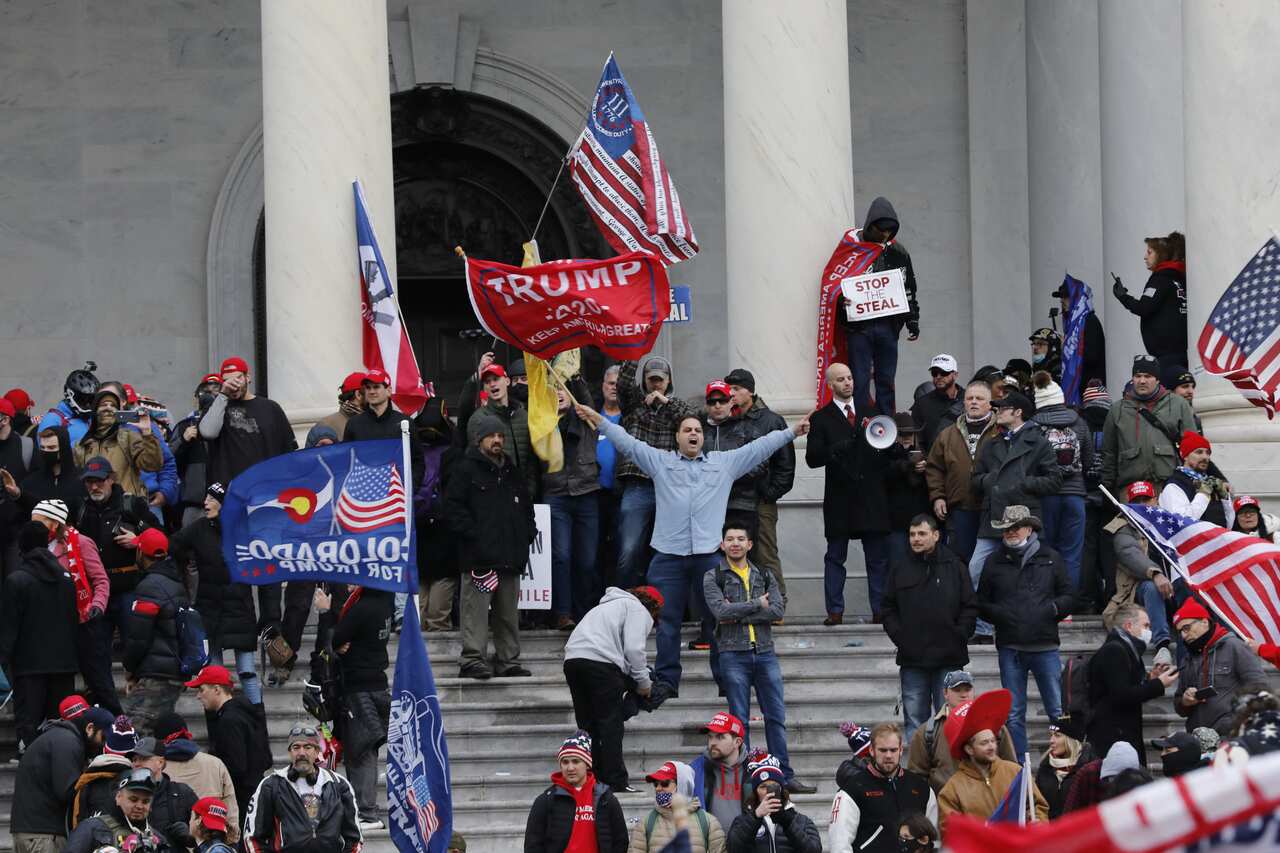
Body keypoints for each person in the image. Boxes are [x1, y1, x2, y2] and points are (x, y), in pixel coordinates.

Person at [576, 401, 808, 697]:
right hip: (667, 558)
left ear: (704, 437)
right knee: (667, 623)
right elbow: (628, 442)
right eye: (687, 430)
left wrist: (792, 432)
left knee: (718, 621)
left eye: (698, 430)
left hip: (708, 559)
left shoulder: (723, 464)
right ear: (677, 437)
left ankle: (726, 680)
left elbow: (760, 447)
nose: (693, 434)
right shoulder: (660, 461)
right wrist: (599, 420)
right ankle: (667, 682)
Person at [702, 523, 815, 794]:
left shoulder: (764, 573)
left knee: (775, 717)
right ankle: (748, 778)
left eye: (741, 538)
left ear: (750, 544)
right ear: (722, 545)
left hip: (765, 653)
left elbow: (776, 610)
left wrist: (738, 612)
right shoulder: (713, 576)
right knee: (738, 722)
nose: (735, 543)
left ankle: (783, 776)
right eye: (730, 539)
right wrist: (756, 604)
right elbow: (720, 612)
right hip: (732, 654)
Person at [445, 410, 536, 680]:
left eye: (500, 435)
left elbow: (527, 509)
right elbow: (452, 509)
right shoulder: (465, 469)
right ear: (478, 439)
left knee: (508, 613)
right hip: (479, 558)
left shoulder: (512, 471)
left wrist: (526, 534)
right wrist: (475, 537)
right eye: (491, 436)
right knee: (475, 612)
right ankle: (473, 659)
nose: (497, 440)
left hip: (510, 556)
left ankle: (508, 660)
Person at [976, 506, 1073, 756]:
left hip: (1045, 645)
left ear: (1029, 529)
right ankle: (1018, 767)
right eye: (1006, 529)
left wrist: (1052, 609)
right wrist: (999, 615)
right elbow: (981, 602)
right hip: (1010, 646)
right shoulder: (993, 560)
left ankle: (1063, 761)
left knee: (1056, 710)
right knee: (1014, 713)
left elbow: (1070, 596)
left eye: (1015, 527)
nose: (1009, 533)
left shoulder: (1051, 557)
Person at [969, 393, 1062, 641]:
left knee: (1028, 576)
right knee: (976, 569)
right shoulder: (991, 443)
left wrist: (1022, 483)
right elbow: (976, 479)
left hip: (1024, 518)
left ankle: (1028, 626)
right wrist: (992, 481)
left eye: (1003, 407)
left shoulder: (1039, 442)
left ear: (1018, 411)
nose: (997, 410)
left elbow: (1054, 480)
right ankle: (983, 628)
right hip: (994, 516)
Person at [805, 362, 891, 625]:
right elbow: (812, 458)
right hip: (840, 498)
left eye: (850, 378)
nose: (848, 383)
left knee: (877, 558)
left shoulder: (870, 410)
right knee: (835, 557)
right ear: (831, 385)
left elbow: (883, 448)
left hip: (871, 497)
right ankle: (834, 610)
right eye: (841, 379)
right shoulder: (821, 418)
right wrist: (844, 444)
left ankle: (880, 609)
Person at [880, 516, 978, 741]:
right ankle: (917, 773)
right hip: (913, 658)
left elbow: (970, 605)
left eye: (922, 534)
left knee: (952, 720)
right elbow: (887, 607)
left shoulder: (955, 565)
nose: (916, 539)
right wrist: (900, 636)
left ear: (936, 535)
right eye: (912, 534)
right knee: (915, 721)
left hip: (949, 657)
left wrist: (959, 634)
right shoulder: (900, 566)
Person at [563, 585, 664, 793]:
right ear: (653, 609)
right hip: (601, 665)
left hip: (573, 661)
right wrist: (644, 684)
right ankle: (615, 781)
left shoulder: (602, 608)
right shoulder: (637, 609)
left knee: (588, 725)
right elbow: (634, 650)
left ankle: (592, 780)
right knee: (611, 725)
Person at [170, 482, 261, 704]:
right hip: (210, 611)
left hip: (240, 610)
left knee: (247, 673)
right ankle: (220, 719)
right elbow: (173, 545)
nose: (205, 503)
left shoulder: (244, 530)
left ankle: (255, 716)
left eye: (211, 499)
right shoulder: (200, 528)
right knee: (214, 676)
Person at [313, 582, 393, 830]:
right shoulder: (384, 601)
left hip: (361, 689)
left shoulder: (363, 608)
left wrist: (326, 612)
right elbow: (341, 640)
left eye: (353, 577)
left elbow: (333, 640)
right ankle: (365, 809)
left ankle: (367, 813)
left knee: (360, 751)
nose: (347, 583)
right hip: (376, 684)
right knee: (365, 749)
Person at [612, 356, 694, 587]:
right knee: (628, 549)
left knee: (669, 550)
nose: (656, 384)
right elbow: (624, 384)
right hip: (637, 486)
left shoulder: (677, 408)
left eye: (660, 380)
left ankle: (664, 602)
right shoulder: (634, 405)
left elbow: (692, 421)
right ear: (645, 381)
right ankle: (624, 598)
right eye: (651, 380)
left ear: (668, 382)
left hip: (668, 488)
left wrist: (665, 402)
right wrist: (633, 351)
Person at [837, 196, 921, 419]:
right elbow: (835, 287)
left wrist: (913, 320)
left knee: (886, 379)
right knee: (860, 379)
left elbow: (908, 287)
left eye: (889, 231)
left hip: (887, 326)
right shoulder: (851, 250)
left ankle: (886, 425)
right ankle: (861, 425)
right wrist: (841, 304)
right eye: (880, 230)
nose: (884, 235)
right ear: (870, 225)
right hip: (859, 328)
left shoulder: (898, 252)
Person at [0, 520, 79, 749]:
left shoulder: (17, 581)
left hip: (29, 667)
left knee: (29, 724)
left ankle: (29, 762)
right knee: (61, 726)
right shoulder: (66, 580)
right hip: (64, 665)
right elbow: (74, 622)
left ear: (22, 546)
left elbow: (9, 628)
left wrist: (4, 661)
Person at [724, 368, 795, 599]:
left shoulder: (772, 420)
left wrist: (770, 493)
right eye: (729, 389)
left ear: (750, 392)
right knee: (735, 554)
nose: (731, 393)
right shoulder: (726, 419)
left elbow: (785, 465)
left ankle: (777, 603)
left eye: (737, 389)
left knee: (765, 553)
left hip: (760, 500)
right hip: (731, 499)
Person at [936, 690, 1048, 834]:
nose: (991, 747)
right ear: (969, 749)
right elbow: (952, 835)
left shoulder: (1016, 772)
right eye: (984, 743)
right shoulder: (951, 791)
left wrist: (1039, 822)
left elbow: (1038, 805)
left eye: (993, 741)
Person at [243, 723, 363, 853]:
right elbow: (253, 838)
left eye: (307, 747)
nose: (301, 753)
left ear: (317, 751)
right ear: (289, 752)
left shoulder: (339, 785)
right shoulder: (270, 785)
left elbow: (354, 839)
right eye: (296, 747)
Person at [9, 704, 113, 853]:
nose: (103, 744)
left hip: (32, 831)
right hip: (44, 836)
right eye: (103, 737)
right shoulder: (68, 742)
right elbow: (67, 791)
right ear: (90, 728)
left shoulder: (58, 737)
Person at [543, 379, 602, 629]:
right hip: (556, 495)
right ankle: (563, 613)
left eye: (562, 389)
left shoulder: (585, 418)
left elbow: (585, 395)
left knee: (587, 560)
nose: (558, 394)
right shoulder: (542, 423)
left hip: (587, 494)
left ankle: (585, 613)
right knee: (561, 556)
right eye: (553, 389)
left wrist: (574, 375)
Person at [1086, 604, 1178, 762]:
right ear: (1129, 626)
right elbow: (1122, 695)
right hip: (1113, 738)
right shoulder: (1115, 650)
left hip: (1121, 734)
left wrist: (1150, 679)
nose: (1149, 631)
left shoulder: (1127, 649)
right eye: (1145, 625)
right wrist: (1158, 684)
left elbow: (1126, 687)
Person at [121, 528, 189, 735]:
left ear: (140, 553)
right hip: (172, 671)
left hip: (155, 675)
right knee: (154, 735)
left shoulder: (149, 587)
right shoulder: (176, 582)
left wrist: (130, 668)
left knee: (131, 735)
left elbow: (139, 636)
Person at [905, 670, 1016, 794]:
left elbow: (1011, 769)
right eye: (957, 690)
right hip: (945, 805)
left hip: (989, 803)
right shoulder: (927, 732)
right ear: (945, 693)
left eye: (967, 690)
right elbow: (917, 777)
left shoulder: (995, 727)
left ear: (973, 692)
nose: (963, 695)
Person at [829, 723, 935, 853]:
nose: (889, 755)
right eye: (883, 750)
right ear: (872, 751)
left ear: (901, 750)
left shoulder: (921, 788)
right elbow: (839, 844)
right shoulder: (852, 790)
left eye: (893, 750)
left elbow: (933, 838)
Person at [1030, 372, 1093, 590]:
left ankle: (1046, 598)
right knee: (1072, 553)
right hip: (1075, 495)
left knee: (1045, 548)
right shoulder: (1080, 423)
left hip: (1046, 495)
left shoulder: (1032, 427)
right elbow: (1088, 459)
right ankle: (1068, 605)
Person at [925, 380, 999, 563]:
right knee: (960, 559)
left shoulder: (1001, 431)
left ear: (990, 403)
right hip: (960, 508)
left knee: (991, 561)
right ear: (963, 402)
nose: (973, 402)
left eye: (979, 398)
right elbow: (934, 467)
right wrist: (938, 496)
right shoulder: (948, 434)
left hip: (993, 507)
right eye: (969, 398)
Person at [1101, 481, 1175, 663]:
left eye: (1146, 500)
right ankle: (1162, 645)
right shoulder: (1122, 525)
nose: (1142, 505)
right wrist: (1155, 574)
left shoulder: (1169, 522)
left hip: (1175, 584)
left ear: (1155, 500)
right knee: (1151, 587)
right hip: (1136, 589)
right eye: (1137, 501)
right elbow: (1129, 553)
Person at [186, 664, 273, 817]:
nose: (198, 696)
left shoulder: (229, 720)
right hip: (253, 795)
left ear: (217, 689)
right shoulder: (245, 712)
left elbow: (236, 766)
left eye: (201, 690)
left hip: (241, 800)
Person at [1100, 354, 1196, 493]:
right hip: (1131, 488)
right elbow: (1109, 452)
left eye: (1148, 376)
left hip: (1170, 486)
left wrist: (1191, 481)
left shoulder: (1178, 404)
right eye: (1138, 376)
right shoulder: (1117, 409)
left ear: (1157, 379)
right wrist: (1108, 486)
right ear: (1133, 379)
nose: (1142, 381)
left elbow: (1191, 447)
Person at [198, 356, 296, 488]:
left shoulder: (270, 408)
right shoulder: (217, 407)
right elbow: (208, 432)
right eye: (227, 380)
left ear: (247, 378)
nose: (233, 384)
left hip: (265, 488)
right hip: (230, 489)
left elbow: (288, 450)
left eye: (238, 378)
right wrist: (222, 395)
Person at [1172, 599, 1267, 734]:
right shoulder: (1187, 659)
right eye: (1180, 631)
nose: (1183, 635)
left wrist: (1239, 721)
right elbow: (1178, 705)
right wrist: (1185, 701)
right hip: (1198, 739)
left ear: (1204, 622)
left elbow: (1260, 688)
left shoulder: (1234, 646)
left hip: (1232, 736)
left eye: (1186, 628)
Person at [523, 731, 628, 853]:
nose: (570, 768)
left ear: (587, 764)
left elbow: (620, 840)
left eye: (576, 761)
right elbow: (533, 844)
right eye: (565, 762)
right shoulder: (545, 800)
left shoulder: (606, 799)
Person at [457, 354, 538, 500]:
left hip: (522, 495)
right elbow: (474, 461)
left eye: (496, 379)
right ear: (484, 388)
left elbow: (532, 460)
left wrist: (530, 491)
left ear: (507, 381)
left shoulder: (523, 416)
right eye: (487, 382)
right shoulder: (479, 419)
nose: (492, 384)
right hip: (493, 495)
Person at [153, 712, 240, 841]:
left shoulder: (155, 768)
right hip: (211, 843)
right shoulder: (215, 764)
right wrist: (230, 843)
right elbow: (231, 810)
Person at [413, 396, 461, 631]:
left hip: (424, 522)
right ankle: (435, 625)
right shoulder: (453, 448)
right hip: (438, 524)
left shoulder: (414, 448)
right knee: (439, 579)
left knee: (424, 579)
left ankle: (426, 626)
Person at [1113, 231, 1188, 373]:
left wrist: (1123, 297)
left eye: (1150, 252)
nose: (1145, 257)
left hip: (1166, 355)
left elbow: (1144, 307)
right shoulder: (1179, 278)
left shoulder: (1160, 279)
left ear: (1161, 255)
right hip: (1180, 352)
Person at [73, 387, 164, 499]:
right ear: (95, 410)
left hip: (126, 508)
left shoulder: (128, 438)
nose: (108, 408)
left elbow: (152, 465)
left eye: (113, 405)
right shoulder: (82, 445)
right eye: (103, 404)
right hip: (94, 509)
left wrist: (147, 433)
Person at [342, 368, 425, 486]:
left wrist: (409, 489)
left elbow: (417, 461)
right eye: (368, 388)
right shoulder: (354, 424)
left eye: (376, 387)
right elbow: (346, 460)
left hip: (397, 495)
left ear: (388, 390)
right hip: (363, 492)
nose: (371, 391)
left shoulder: (405, 423)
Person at [724, 754, 822, 853]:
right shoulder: (742, 821)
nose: (768, 791)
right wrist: (755, 816)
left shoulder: (802, 821)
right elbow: (733, 848)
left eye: (774, 786)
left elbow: (814, 850)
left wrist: (787, 823)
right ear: (755, 792)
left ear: (781, 789)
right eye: (763, 786)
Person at [628, 761, 727, 853]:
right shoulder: (645, 823)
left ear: (682, 784)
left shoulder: (708, 822)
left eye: (664, 783)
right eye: (655, 784)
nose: (658, 788)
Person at [63, 769, 171, 853]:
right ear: (118, 797)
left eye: (145, 801)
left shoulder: (159, 840)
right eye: (133, 799)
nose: (139, 806)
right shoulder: (91, 828)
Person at [702, 380, 757, 542]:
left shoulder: (747, 427)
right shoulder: (698, 430)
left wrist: (728, 474)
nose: (717, 405)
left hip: (742, 503)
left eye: (722, 400)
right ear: (707, 405)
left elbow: (759, 464)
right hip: (708, 505)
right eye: (712, 402)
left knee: (744, 557)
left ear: (731, 402)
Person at [68, 715, 139, 831]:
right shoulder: (139, 783)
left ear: (105, 749)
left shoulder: (86, 781)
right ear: (134, 756)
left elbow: (77, 824)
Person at [171, 374, 223, 528]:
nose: (210, 397)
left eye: (216, 392)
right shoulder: (185, 426)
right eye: (206, 392)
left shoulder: (230, 425)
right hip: (193, 503)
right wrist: (183, 440)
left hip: (224, 502)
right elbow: (167, 461)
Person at [130, 737, 199, 852]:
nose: (136, 764)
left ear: (160, 762)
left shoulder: (182, 792)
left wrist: (190, 836)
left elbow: (205, 833)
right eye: (134, 759)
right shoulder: (124, 795)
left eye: (143, 759)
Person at [882, 415, 931, 567]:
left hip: (919, 521)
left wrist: (925, 469)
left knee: (921, 565)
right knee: (898, 565)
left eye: (910, 434)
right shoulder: (886, 453)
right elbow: (886, 473)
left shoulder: (924, 453)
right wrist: (906, 465)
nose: (906, 438)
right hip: (896, 522)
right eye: (902, 434)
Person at [1159, 431, 1235, 527]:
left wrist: (1225, 499)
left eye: (1208, 453)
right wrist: (1203, 494)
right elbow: (1181, 522)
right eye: (1199, 452)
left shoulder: (1210, 482)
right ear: (1185, 456)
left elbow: (1228, 526)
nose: (1205, 457)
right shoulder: (1174, 485)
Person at [596, 365, 624, 586]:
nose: (614, 387)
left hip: (621, 494)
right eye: (610, 383)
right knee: (593, 550)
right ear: (602, 385)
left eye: (618, 383)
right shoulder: (591, 415)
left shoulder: (630, 417)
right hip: (593, 494)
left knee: (619, 549)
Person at [1051, 281, 1107, 389]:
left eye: (1066, 297)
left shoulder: (1089, 321)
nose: (1062, 300)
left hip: (1089, 390)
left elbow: (1092, 357)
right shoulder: (1072, 323)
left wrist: (1066, 346)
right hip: (1075, 389)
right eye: (1061, 297)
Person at [1061, 741, 1140, 814]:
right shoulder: (1088, 774)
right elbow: (1069, 813)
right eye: (1113, 779)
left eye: (1123, 781)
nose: (1117, 786)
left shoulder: (1142, 782)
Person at [1033, 716, 1088, 819]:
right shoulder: (1045, 767)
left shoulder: (1088, 769)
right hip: (1050, 831)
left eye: (1057, 735)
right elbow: (1037, 802)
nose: (1051, 740)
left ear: (1071, 740)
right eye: (1051, 735)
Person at [911, 354, 961, 452]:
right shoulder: (921, 404)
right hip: (932, 463)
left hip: (961, 462)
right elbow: (917, 438)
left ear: (955, 375)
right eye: (934, 373)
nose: (938, 376)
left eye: (944, 372)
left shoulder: (968, 399)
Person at [316, 371, 367, 438]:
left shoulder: (375, 420)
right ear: (358, 395)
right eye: (369, 389)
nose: (373, 393)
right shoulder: (326, 425)